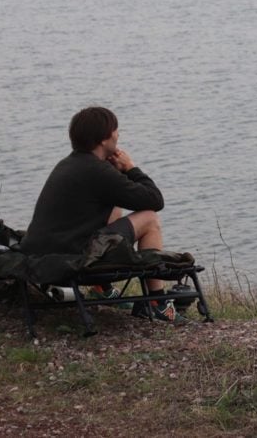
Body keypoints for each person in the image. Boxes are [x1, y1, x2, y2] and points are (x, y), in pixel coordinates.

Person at [21, 106, 183, 322]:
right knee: (150, 219)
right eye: (116, 131)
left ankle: (102, 288)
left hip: (44, 252)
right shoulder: (97, 171)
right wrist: (131, 168)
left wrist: (116, 172)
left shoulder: (69, 163)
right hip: (73, 259)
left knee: (115, 206)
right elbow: (154, 200)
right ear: (104, 140)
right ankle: (157, 302)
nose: (118, 135)